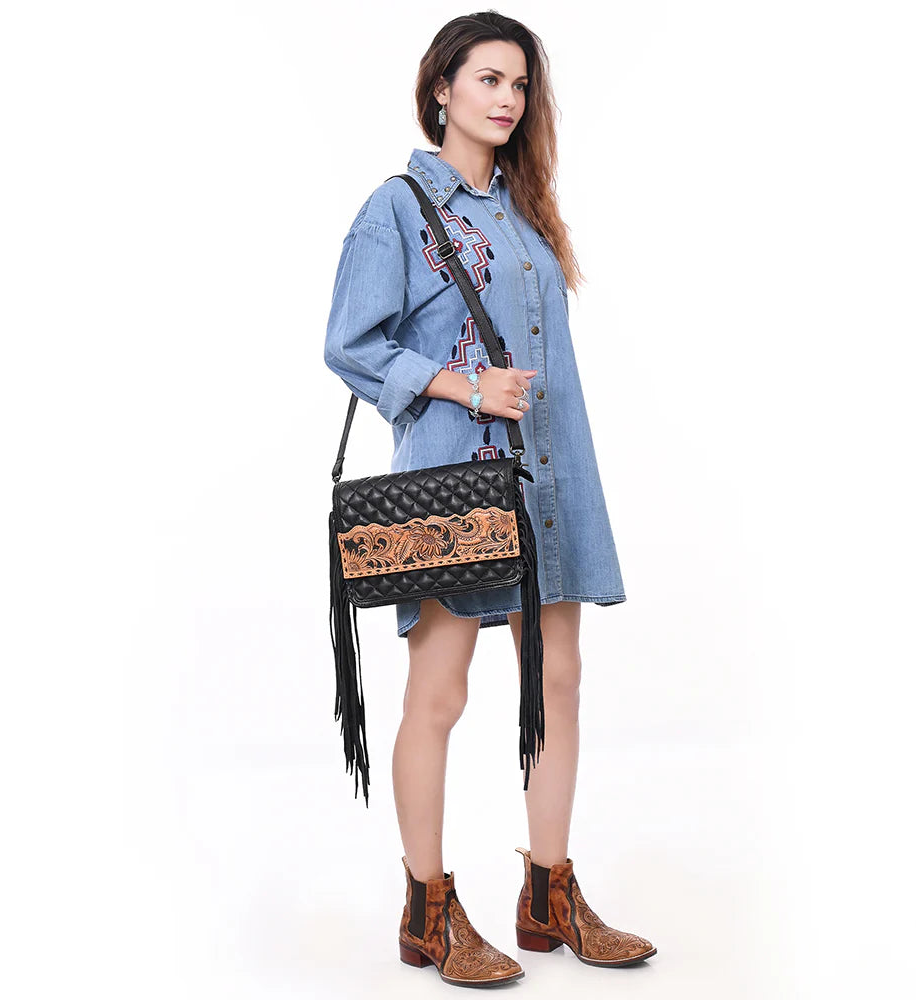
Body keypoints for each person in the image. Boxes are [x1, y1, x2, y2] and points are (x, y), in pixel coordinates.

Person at [323, 11, 656, 987]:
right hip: (453, 485)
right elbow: (350, 342)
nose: (507, 99)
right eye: (487, 80)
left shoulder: (522, 207)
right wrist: (464, 386)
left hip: (549, 477)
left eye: (519, 84)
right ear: (441, 89)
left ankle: (549, 893)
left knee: (558, 681)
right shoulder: (397, 207)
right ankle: (428, 909)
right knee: (441, 694)